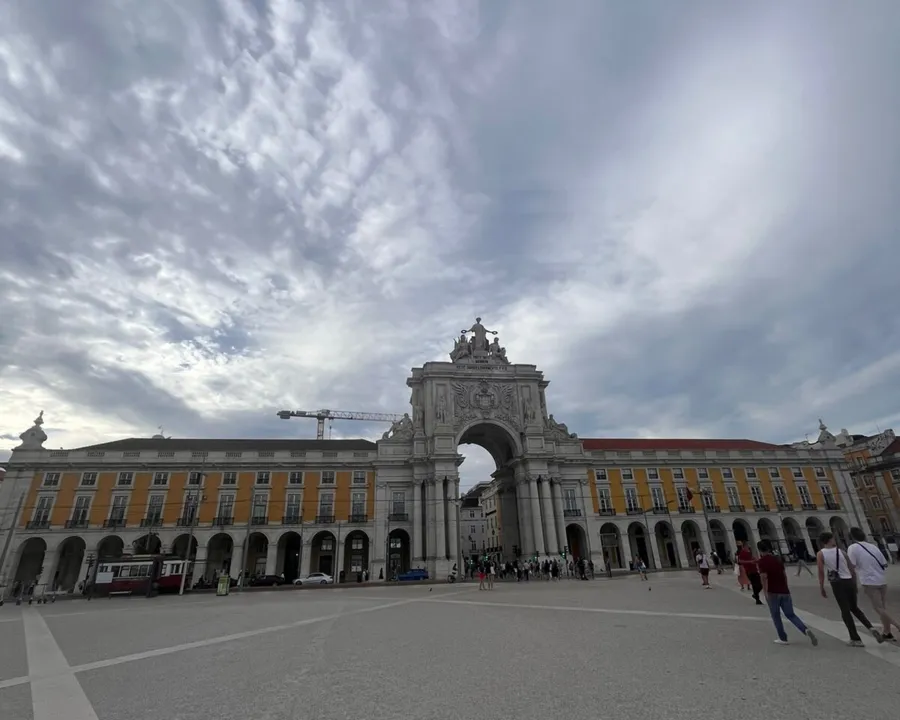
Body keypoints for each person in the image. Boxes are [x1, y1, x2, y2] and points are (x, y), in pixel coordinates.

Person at [817, 531, 884, 647]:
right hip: (849, 581)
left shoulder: (821, 554)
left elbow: (821, 571)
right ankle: (871, 628)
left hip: (837, 584)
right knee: (855, 608)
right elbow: (852, 570)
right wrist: (854, 584)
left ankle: (855, 638)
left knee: (845, 611)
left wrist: (821, 587)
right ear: (830, 540)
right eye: (833, 539)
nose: (834, 540)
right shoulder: (841, 552)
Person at [756, 540, 818, 646]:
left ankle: (783, 638)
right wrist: (785, 588)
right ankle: (805, 629)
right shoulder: (778, 559)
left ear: (760, 550)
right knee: (791, 614)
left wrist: (765, 593)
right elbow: (784, 575)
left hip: (772, 592)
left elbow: (764, 578)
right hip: (784, 591)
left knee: (776, 616)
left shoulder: (762, 562)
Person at [847, 527, 899, 642]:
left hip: (869, 581)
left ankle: (898, 626)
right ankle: (887, 633)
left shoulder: (852, 548)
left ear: (852, 537)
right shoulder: (873, 546)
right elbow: (884, 564)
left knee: (878, 608)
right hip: (882, 580)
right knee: (883, 608)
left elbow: (852, 565)